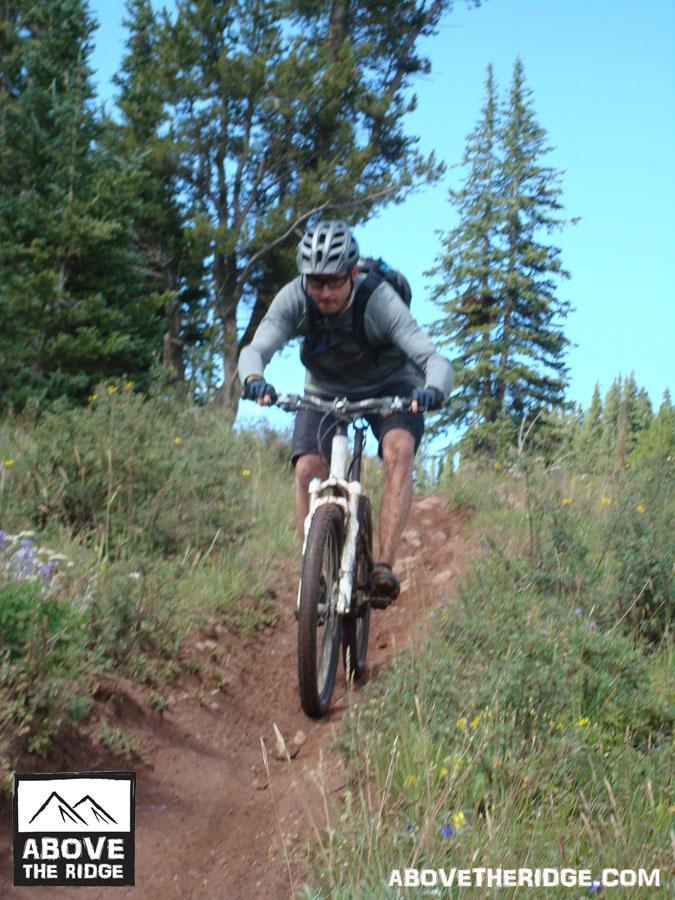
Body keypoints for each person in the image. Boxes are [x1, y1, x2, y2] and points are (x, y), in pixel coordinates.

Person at [238, 220, 452, 607]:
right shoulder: (295, 297)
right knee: (306, 469)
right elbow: (257, 348)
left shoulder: (380, 301)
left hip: (390, 385)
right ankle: (313, 574)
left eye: (334, 281)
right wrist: (254, 378)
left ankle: (383, 566)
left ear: (353, 273)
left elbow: (432, 358)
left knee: (399, 448)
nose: (323, 292)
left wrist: (434, 389)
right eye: (315, 282)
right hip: (325, 388)